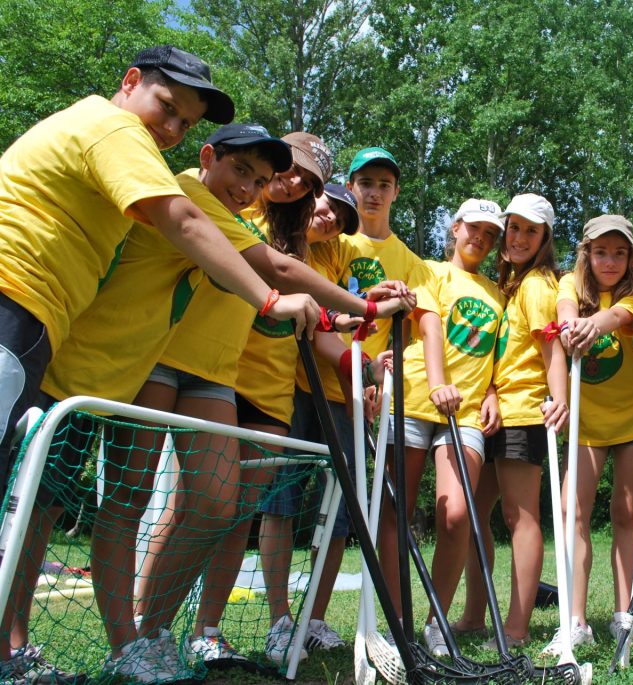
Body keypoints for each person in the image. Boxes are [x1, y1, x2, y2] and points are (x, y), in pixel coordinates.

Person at [0, 47, 319, 683]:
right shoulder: (116, 130)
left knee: (37, 503)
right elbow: (183, 221)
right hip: (19, 308)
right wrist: (272, 299)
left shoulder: (130, 145)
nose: (170, 128)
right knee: (30, 503)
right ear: (129, 82)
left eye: (184, 121)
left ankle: (18, 650)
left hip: (52, 335)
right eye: (166, 108)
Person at [126, 134, 410, 678]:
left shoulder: (308, 246)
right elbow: (278, 281)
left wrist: (366, 364)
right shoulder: (235, 206)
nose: (300, 188)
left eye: (309, 184)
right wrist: (365, 305)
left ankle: (204, 630)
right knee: (189, 504)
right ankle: (146, 628)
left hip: (271, 385)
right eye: (297, 175)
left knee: (234, 511)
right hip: (213, 371)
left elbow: (320, 323)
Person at [257, 146, 426, 656]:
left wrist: (370, 374)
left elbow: (351, 313)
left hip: (348, 398)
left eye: (337, 220)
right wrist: (363, 358)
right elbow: (324, 324)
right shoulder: (285, 237)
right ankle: (280, 619)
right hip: (296, 386)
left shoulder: (338, 250)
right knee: (281, 500)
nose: (329, 220)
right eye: (327, 206)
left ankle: (314, 617)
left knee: (339, 510)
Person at [376, 199, 505, 657]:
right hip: (414, 397)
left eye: (491, 235)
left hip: (464, 412)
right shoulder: (426, 271)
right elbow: (420, 327)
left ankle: (435, 623)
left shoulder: (498, 292)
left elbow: (500, 356)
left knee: (456, 516)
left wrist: (490, 392)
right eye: (475, 229)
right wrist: (434, 383)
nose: (482, 240)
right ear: (455, 228)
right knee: (396, 511)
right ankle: (397, 622)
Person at [453, 193, 569, 648]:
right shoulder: (513, 285)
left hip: (525, 414)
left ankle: (517, 628)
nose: (519, 238)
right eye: (514, 228)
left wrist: (558, 399)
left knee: (519, 517)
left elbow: (550, 349)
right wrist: (493, 392)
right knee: (474, 513)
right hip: (497, 414)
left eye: (531, 230)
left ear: (545, 239)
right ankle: (473, 616)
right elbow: (506, 355)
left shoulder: (539, 284)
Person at [542, 214, 633, 654]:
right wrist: (571, 325)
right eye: (601, 251)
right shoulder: (569, 282)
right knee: (572, 513)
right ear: (587, 254)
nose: (610, 260)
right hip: (585, 423)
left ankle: (626, 615)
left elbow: (617, 318)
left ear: (630, 258)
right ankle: (575, 621)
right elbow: (566, 311)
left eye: (619, 252)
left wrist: (591, 326)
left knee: (627, 514)